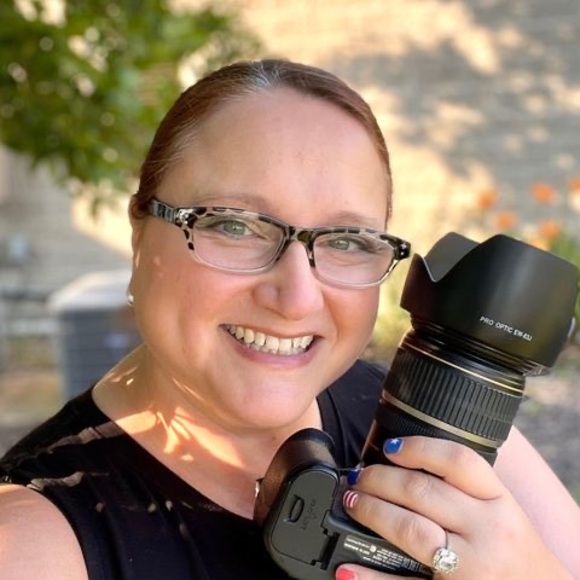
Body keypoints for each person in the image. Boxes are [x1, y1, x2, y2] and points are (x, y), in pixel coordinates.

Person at [0, 59, 578, 580]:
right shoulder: (32, 542)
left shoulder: (431, 414)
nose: (297, 298)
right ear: (140, 235)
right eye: (234, 225)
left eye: (347, 240)